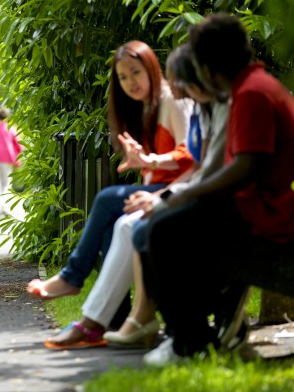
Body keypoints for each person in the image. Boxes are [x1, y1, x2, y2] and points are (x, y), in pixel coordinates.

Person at [140, 13, 294, 367]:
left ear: (209, 66)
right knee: (158, 231)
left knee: (161, 234)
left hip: (266, 220)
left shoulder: (252, 94)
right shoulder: (254, 87)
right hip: (256, 210)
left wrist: (184, 195)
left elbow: (245, 167)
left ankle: (189, 344)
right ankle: (198, 337)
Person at [42, 43, 219, 350]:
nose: (130, 82)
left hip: (184, 191)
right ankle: (115, 319)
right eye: (123, 78)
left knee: (109, 199)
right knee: (116, 222)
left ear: (152, 68)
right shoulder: (149, 105)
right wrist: (145, 162)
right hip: (172, 190)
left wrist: (149, 163)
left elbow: (192, 155)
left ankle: (76, 282)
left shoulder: (172, 101)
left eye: (135, 72)